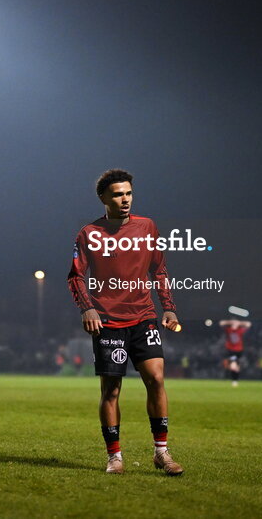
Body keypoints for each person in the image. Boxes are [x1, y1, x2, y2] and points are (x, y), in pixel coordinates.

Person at [67, 169, 183, 476]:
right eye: (118, 194)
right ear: (103, 198)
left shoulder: (147, 227)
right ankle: (114, 457)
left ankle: (162, 452)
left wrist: (168, 308)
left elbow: (159, 270)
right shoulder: (88, 234)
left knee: (156, 379)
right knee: (112, 391)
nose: (125, 199)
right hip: (107, 320)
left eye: (128, 193)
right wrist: (86, 309)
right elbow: (76, 276)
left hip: (143, 316)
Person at [219, 319, 251, 386]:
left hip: (239, 351)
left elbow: (248, 324)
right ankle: (234, 380)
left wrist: (240, 323)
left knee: (236, 366)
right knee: (234, 365)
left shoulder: (240, 330)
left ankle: (235, 380)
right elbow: (221, 323)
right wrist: (230, 322)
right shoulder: (229, 330)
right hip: (231, 350)